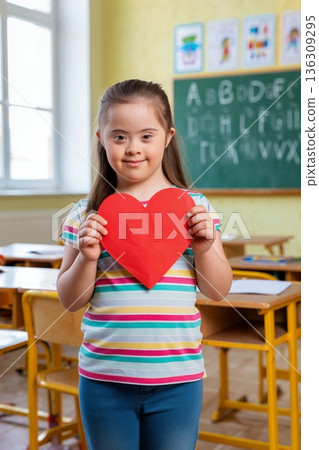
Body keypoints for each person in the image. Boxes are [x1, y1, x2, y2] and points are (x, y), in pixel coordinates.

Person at [57, 79, 233, 450]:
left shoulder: (195, 207)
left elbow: (218, 291)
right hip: (104, 379)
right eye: (119, 136)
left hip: (178, 381)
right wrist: (88, 259)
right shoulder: (85, 214)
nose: (133, 148)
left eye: (146, 136)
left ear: (167, 137)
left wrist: (203, 248)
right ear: (100, 138)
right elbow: (70, 301)